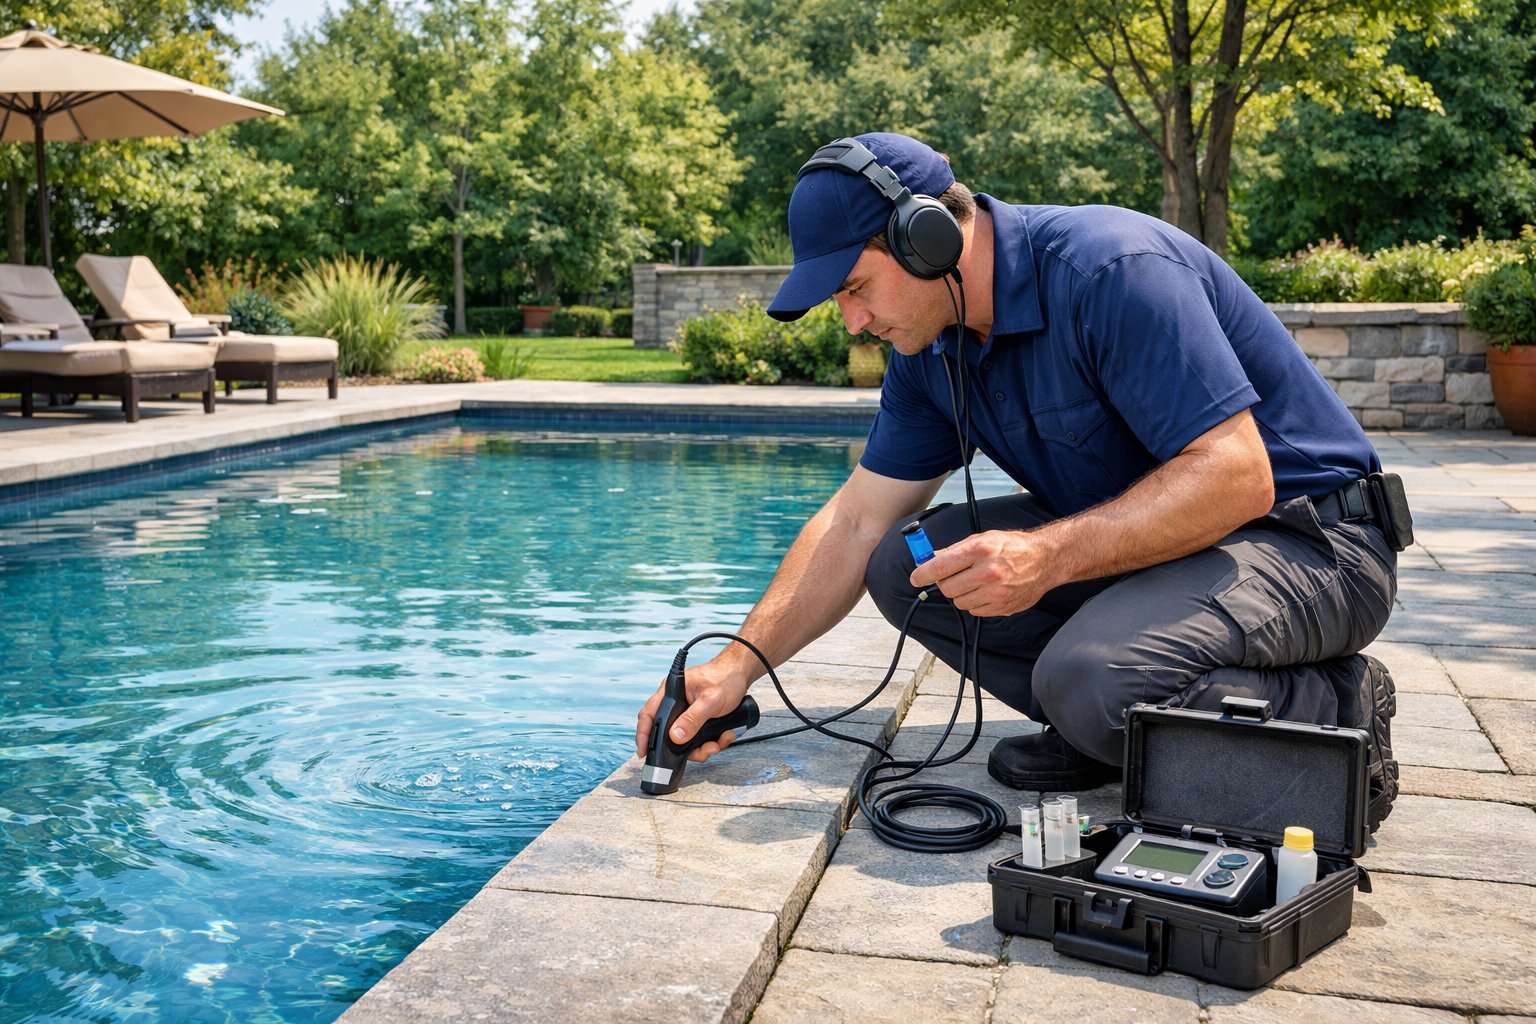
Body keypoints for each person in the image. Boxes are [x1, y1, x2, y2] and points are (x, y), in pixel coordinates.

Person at [636, 131, 1401, 827]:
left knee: (1093, 679)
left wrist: (1048, 558)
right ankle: (1102, 729)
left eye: (855, 287)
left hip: (1316, 543)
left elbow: (1237, 479)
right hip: (1181, 555)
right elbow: (858, 519)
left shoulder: (1112, 269)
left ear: (925, 238)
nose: (852, 323)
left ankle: (1334, 703)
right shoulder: (929, 349)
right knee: (906, 567)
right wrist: (735, 665)